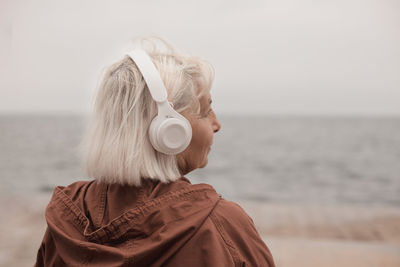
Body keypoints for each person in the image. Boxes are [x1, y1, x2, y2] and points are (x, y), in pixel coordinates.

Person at [35, 37, 275, 267]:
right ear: (170, 130)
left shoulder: (65, 218)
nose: (216, 124)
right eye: (205, 111)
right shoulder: (220, 226)